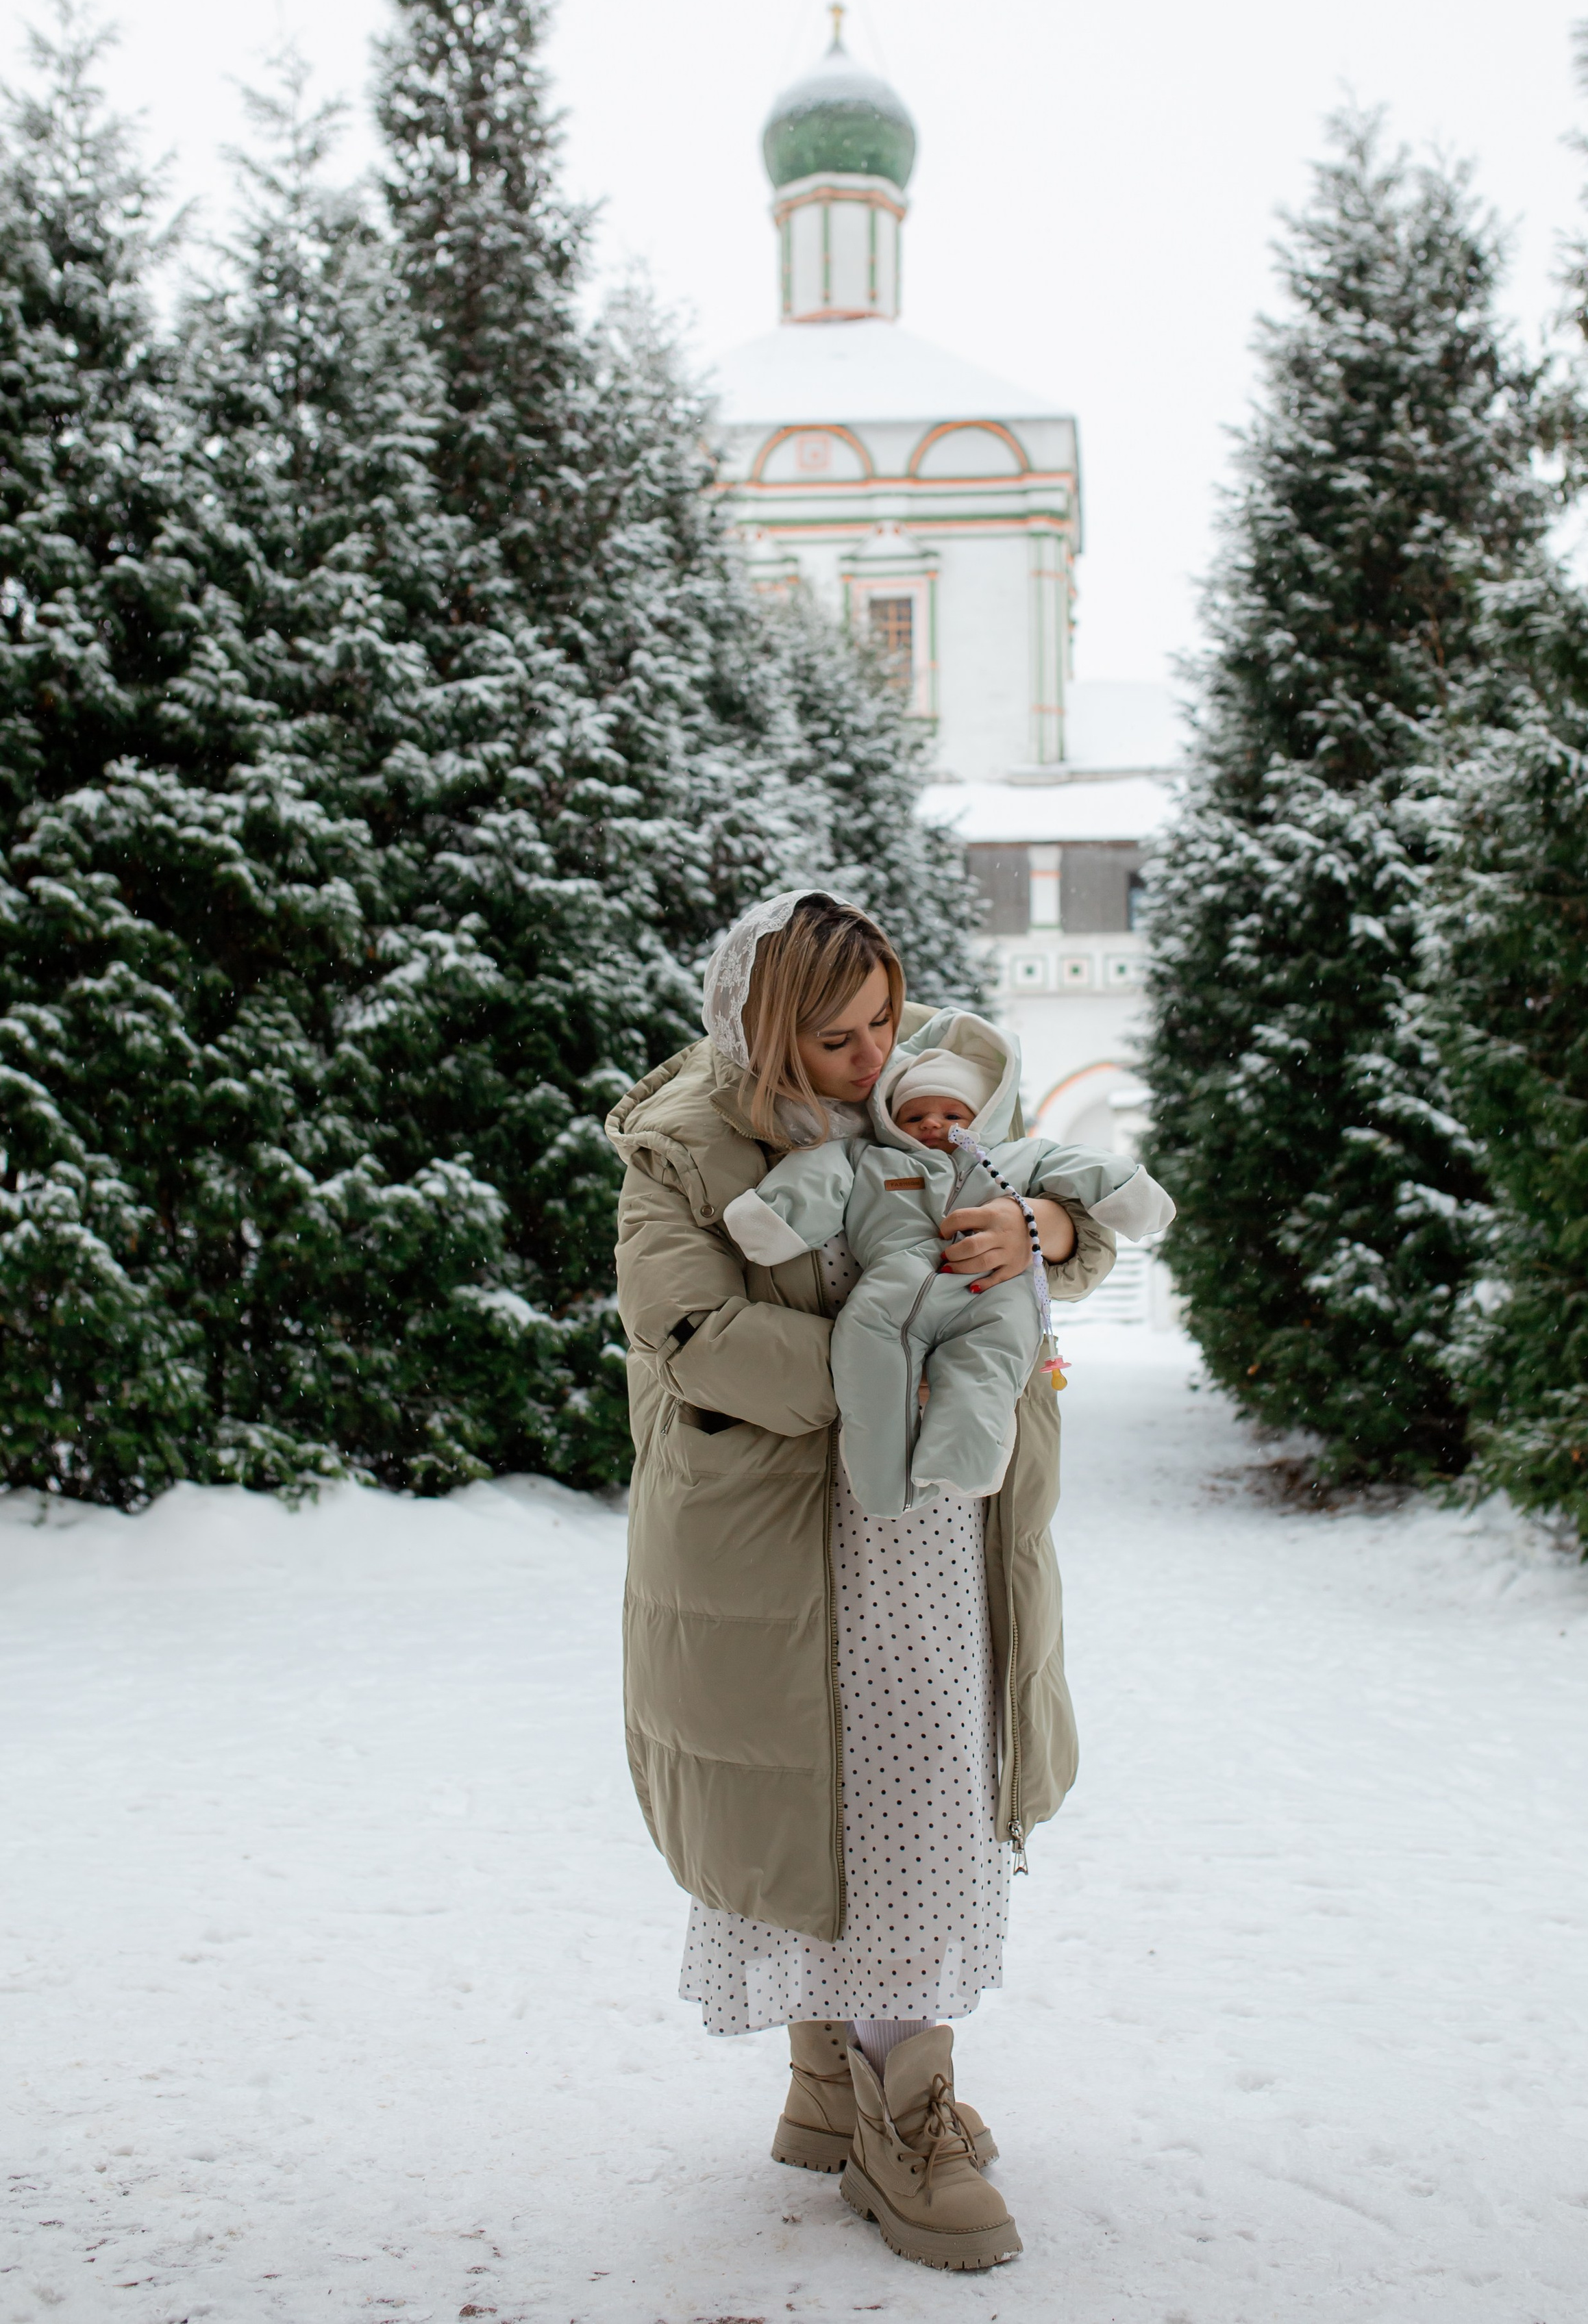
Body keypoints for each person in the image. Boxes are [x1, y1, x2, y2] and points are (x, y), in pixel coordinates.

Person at [605, 890, 1117, 2275]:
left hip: (931, 1535)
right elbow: (690, 1330)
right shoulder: (683, 1146)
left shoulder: (912, 1099)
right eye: (831, 1036)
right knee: (851, 1801)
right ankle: (899, 2110)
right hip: (783, 1539)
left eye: (883, 1021)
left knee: (921, 1788)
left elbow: (1046, 1190)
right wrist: (882, 1357)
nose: (869, 1054)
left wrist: (1037, 1240)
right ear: (759, 1029)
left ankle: (840, 2082)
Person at [722, 1006, 1174, 1519]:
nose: (932, 1123)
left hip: (993, 1293)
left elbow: (1081, 1168)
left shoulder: (1018, 1159)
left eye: (952, 1115)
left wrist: (1130, 1195)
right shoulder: (870, 1158)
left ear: (981, 1119)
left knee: (989, 1363)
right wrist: (772, 1219)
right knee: (867, 1356)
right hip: (894, 1290)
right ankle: (882, 1481)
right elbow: (816, 1179)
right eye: (914, 1115)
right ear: (892, 1119)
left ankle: (961, 1461)